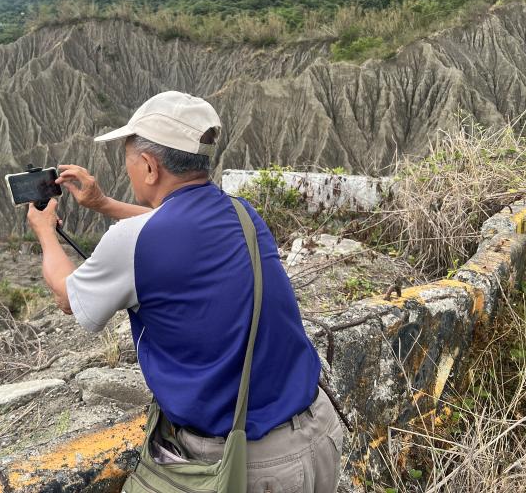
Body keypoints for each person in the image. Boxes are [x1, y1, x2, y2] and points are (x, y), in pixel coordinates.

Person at [26, 90, 343, 492]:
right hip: (319, 436)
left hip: (247, 466)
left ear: (149, 166)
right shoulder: (243, 213)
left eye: (128, 159)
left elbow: (67, 297)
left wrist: (46, 234)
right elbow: (175, 224)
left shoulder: (132, 242)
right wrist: (103, 203)